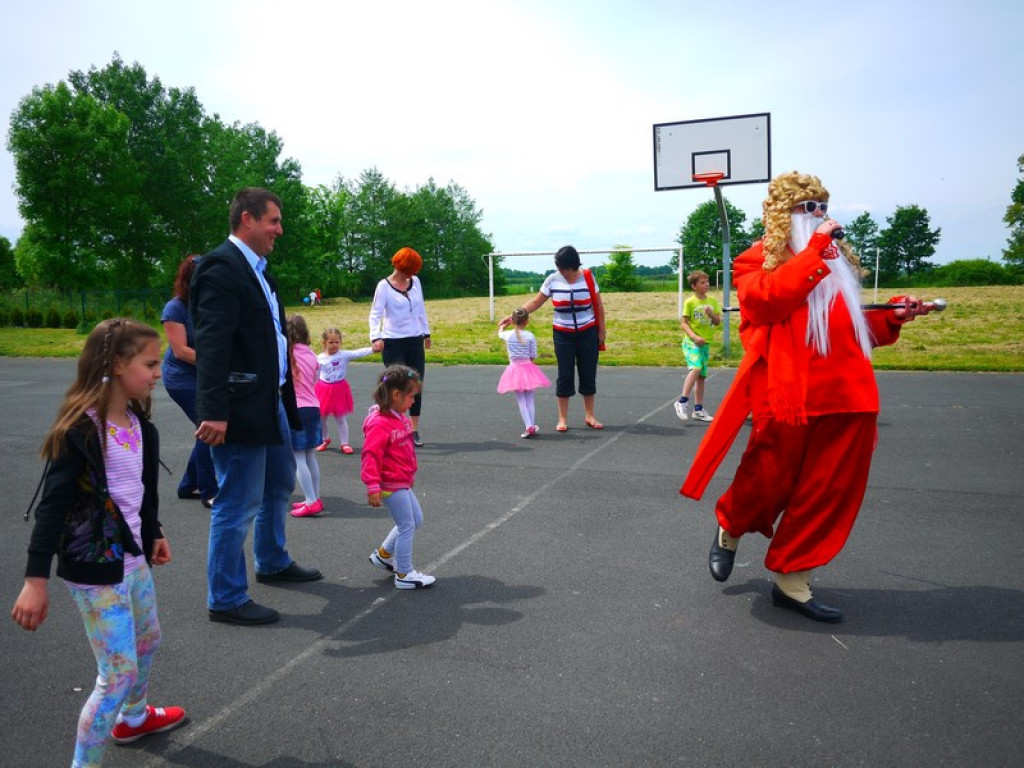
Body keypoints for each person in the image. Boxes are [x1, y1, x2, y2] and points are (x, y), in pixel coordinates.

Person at [680, 171, 934, 623]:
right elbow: (769, 302)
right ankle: (730, 527)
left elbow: (852, 331)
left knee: (827, 492)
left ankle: (792, 579)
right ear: (783, 213)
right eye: (807, 207)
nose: (819, 215)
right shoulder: (755, 262)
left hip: (848, 395)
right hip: (788, 395)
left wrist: (893, 314)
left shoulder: (835, 263)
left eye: (822, 206)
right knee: (766, 480)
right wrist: (816, 250)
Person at [11, 319, 186, 765]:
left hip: (133, 560)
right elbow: (52, 507)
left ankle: (133, 718)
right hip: (93, 568)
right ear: (115, 365)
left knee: (148, 642)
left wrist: (155, 533)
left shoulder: (141, 427)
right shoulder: (80, 431)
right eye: (149, 363)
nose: (157, 371)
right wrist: (36, 580)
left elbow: (139, 493)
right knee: (118, 672)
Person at [191, 187, 322, 627]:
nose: (279, 230)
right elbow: (211, 345)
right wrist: (214, 410)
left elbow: (272, 338)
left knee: (279, 484)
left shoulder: (262, 272)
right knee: (238, 501)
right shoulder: (219, 268)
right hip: (238, 409)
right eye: (274, 221)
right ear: (247, 220)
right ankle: (225, 597)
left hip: (272, 404)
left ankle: (272, 561)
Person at [501, 245, 605, 432]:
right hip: (563, 334)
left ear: (573, 266)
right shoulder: (552, 279)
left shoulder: (588, 278)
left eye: (563, 267)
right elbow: (535, 301)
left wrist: (601, 330)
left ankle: (590, 415)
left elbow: (598, 305)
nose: (560, 271)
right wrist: (515, 316)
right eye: (558, 267)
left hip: (587, 332)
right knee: (564, 375)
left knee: (588, 374)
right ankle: (562, 419)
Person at [362, 365, 436, 589]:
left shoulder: (399, 416)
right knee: (406, 525)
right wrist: (373, 485)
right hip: (390, 484)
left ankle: (384, 554)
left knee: (416, 520)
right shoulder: (379, 423)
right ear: (396, 395)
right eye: (411, 397)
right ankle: (404, 574)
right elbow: (370, 456)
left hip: (401, 480)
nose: (413, 402)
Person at [160, 253, 218, 508]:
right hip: (180, 377)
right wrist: (217, 363)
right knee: (209, 426)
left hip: (204, 374)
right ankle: (209, 491)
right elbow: (181, 351)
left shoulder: (209, 304)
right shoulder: (175, 308)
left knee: (206, 427)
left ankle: (187, 486)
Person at [368, 247, 431, 447]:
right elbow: (375, 314)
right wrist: (375, 337)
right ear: (401, 268)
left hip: (414, 340)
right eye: (410, 271)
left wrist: (426, 333)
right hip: (392, 342)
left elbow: (420, 309)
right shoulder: (384, 286)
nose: (412, 275)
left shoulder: (416, 283)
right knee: (397, 387)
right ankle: (393, 427)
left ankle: (413, 430)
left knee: (415, 384)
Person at [287, 315, 324, 518]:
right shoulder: (311, 354)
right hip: (313, 407)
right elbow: (314, 380)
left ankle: (310, 500)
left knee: (298, 457)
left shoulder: (287, 355)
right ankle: (314, 497)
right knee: (310, 455)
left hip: (296, 409)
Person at [315, 327, 374, 455]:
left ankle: (344, 443)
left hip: (339, 389)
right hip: (324, 390)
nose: (334, 345)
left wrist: (373, 349)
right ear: (324, 343)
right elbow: (315, 374)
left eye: (337, 342)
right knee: (321, 418)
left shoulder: (344, 355)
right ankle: (325, 439)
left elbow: (358, 353)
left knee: (340, 418)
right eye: (331, 342)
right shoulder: (319, 359)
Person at [674, 270, 722, 423]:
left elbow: (717, 322)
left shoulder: (713, 302)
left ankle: (699, 409)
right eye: (702, 282)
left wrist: (711, 314)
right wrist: (694, 337)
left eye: (707, 281)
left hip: (705, 342)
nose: (706, 284)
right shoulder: (690, 302)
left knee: (701, 376)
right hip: (691, 342)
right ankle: (682, 401)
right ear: (694, 286)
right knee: (696, 368)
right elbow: (683, 323)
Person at [496, 307, 552, 438]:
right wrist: (528, 359)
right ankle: (531, 424)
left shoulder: (508, 335)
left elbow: (500, 333)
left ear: (513, 321)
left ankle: (529, 426)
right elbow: (533, 355)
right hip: (528, 368)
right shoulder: (530, 336)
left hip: (515, 369)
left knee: (521, 400)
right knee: (530, 399)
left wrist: (503, 326)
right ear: (527, 321)